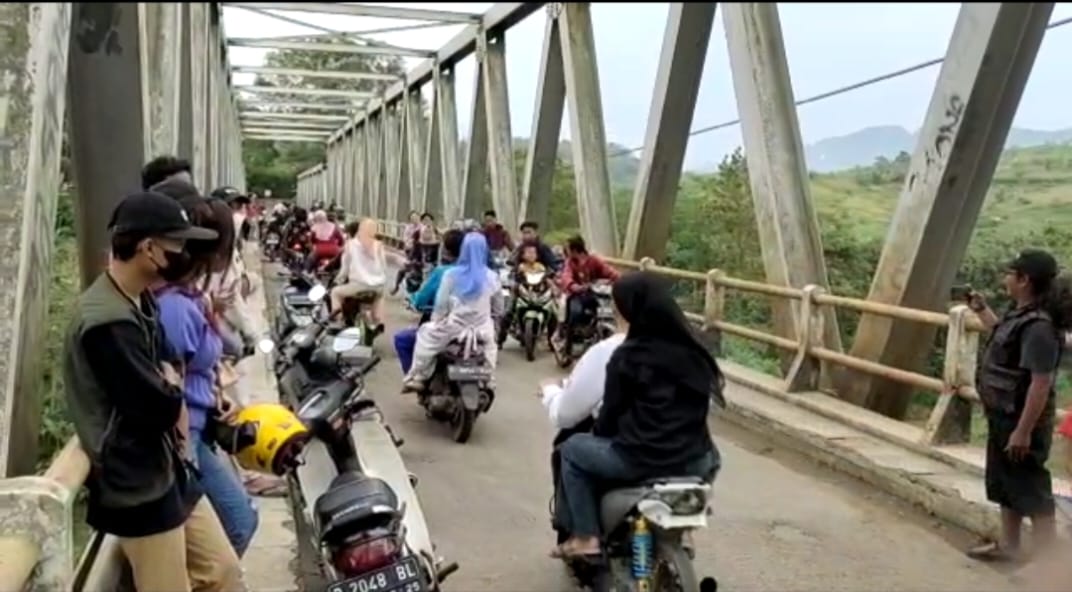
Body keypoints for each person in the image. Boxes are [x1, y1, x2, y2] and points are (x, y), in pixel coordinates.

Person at [63, 191, 243, 591]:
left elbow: (170, 368)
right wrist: (169, 386)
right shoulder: (108, 323)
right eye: (176, 243)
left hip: (168, 470)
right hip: (136, 482)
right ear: (148, 248)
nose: (184, 252)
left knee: (223, 569)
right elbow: (155, 406)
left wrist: (170, 382)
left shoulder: (138, 299)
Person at [551, 271, 722, 558]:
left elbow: (608, 419)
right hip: (695, 460)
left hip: (639, 459)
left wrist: (598, 437)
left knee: (571, 450)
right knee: (713, 454)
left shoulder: (628, 356)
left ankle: (585, 537)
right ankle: (684, 529)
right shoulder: (696, 351)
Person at [155, 192, 259, 557]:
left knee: (242, 519)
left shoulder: (188, 301)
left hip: (201, 427)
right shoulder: (176, 308)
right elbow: (171, 381)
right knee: (239, 524)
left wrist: (217, 394)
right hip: (188, 439)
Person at [966, 250, 1070, 563]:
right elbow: (1004, 341)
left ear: (1024, 280)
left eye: (1010, 273)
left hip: (1021, 420)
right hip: (1004, 415)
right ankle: (1009, 545)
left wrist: (1024, 431)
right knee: (1004, 483)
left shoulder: (1039, 327)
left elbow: (1040, 383)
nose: (1005, 278)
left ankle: (1047, 564)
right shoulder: (1020, 315)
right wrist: (983, 311)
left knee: (1032, 489)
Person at [401, 232, 504, 393]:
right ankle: (489, 378)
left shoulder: (451, 275)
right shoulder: (493, 277)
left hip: (454, 329)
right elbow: (498, 309)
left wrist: (436, 321)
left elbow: (441, 306)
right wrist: (495, 326)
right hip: (483, 331)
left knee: (424, 336)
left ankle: (419, 376)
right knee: (491, 349)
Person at [394, 229, 466, 373]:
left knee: (402, 339)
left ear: (445, 249)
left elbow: (422, 299)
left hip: (445, 327)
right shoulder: (482, 274)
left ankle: (414, 377)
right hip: (476, 330)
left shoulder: (443, 272)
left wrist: (414, 301)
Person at [331, 218, 400, 331]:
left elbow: (344, 270)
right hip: (377, 286)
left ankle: (338, 321)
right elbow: (386, 263)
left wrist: (338, 279)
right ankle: (378, 320)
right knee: (379, 296)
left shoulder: (350, 246)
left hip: (358, 285)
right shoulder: (376, 245)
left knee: (335, 292)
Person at [553, 235, 620, 348]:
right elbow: (566, 275)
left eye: (567, 248)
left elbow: (608, 271)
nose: (566, 251)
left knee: (606, 311)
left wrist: (620, 280)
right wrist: (573, 285)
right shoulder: (570, 262)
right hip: (577, 295)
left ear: (574, 249)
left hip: (594, 294)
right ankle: (568, 346)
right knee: (575, 313)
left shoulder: (593, 260)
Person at [498, 243, 549, 342]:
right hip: (520, 292)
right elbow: (511, 278)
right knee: (508, 312)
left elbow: (546, 278)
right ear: (522, 255)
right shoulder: (520, 267)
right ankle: (501, 337)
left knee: (551, 308)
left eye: (534, 253)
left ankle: (551, 337)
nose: (531, 255)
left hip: (536, 293)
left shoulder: (540, 267)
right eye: (529, 253)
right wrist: (514, 282)